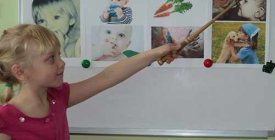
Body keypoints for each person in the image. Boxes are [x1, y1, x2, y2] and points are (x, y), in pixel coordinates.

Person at [0, 24, 180, 139]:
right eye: (51, 59)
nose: (61, 63)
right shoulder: (4, 120)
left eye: (59, 55)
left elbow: (107, 77)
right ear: (20, 72)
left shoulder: (58, 98)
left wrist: (157, 52)